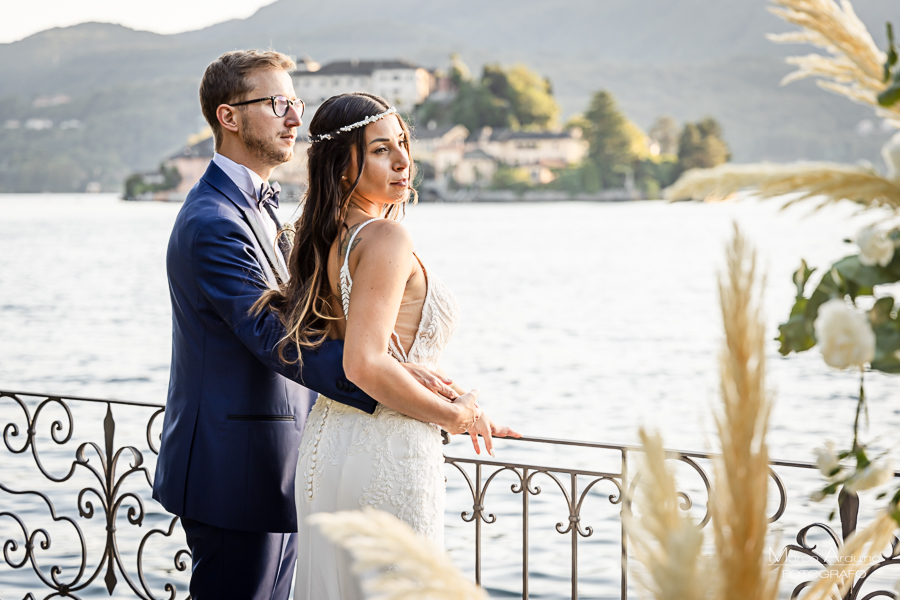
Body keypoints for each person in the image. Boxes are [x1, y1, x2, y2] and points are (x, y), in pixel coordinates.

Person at [152, 51, 477, 600]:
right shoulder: (212, 221)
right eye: (277, 103)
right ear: (229, 117)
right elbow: (272, 336)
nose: (294, 118)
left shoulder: (265, 214)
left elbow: (313, 318)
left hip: (296, 457)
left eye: (296, 103)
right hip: (235, 469)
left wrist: (400, 375)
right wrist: (387, 385)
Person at [253, 92, 521, 600]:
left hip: (328, 448)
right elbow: (365, 363)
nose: (403, 160)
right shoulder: (385, 238)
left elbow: (376, 349)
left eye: (402, 143)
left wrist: (436, 386)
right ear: (340, 165)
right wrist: (456, 418)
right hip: (387, 452)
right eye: (380, 150)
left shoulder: (330, 237)